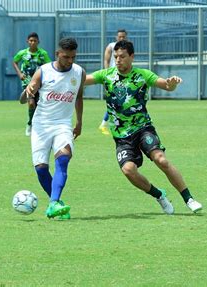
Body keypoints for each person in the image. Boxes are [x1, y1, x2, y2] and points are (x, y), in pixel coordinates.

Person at [85, 40, 202, 215]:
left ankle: (189, 199)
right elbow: (82, 80)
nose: (118, 60)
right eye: (116, 57)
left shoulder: (142, 75)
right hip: (121, 136)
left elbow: (166, 85)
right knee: (128, 170)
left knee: (161, 159)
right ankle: (159, 195)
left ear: (132, 57)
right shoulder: (106, 75)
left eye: (122, 57)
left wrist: (172, 82)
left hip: (143, 128)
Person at [20, 38, 85, 219]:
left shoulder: (79, 72)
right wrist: (29, 91)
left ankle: (53, 203)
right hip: (41, 125)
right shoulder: (43, 72)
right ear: (58, 54)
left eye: (73, 57)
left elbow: (79, 98)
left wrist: (79, 122)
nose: (70, 61)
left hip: (63, 124)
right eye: (66, 57)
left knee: (63, 159)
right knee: (41, 168)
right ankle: (56, 202)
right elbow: (22, 100)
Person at [13, 32, 51, 136]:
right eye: (31, 41)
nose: (33, 42)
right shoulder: (23, 53)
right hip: (27, 82)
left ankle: (39, 124)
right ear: (27, 42)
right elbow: (14, 61)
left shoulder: (43, 54)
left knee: (39, 104)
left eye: (35, 41)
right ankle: (30, 124)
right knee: (31, 103)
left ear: (38, 42)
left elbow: (49, 66)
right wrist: (20, 73)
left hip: (40, 82)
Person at [98, 29, 128, 135]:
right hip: (113, 77)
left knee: (121, 100)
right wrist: (107, 75)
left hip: (124, 77)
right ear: (116, 37)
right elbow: (106, 60)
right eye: (120, 37)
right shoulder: (111, 46)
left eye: (123, 37)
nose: (121, 38)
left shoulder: (128, 47)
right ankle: (104, 124)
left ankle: (111, 124)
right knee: (116, 100)